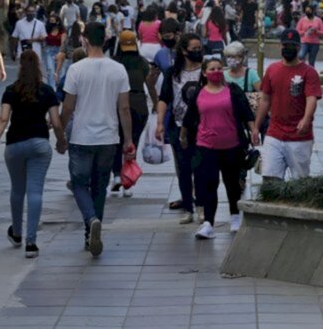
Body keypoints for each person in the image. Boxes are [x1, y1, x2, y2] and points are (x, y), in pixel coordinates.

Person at [59, 22, 134, 257]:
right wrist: (128, 140)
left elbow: (68, 106)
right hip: (108, 137)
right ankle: (92, 230)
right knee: (100, 186)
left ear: (85, 40)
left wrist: (60, 132)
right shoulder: (118, 69)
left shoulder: (76, 70)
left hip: (82, 137)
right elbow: (124, 108)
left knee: (80, 184)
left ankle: (91, 221)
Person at [0, 50, 66, 259]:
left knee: (17, 190)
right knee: (35, 192)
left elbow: (3, 119)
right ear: (38, 67)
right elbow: (56, 122)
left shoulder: (12, 91)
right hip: (40, 145)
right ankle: (31, 243)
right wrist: (61, 141)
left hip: (14, 146)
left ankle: (16, 232)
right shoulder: (47, 91)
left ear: (21, 67)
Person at [181, 57, 258, 238]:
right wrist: (183, 136)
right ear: (204, 73)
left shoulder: (233, 91)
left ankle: (235, 217)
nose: (216, 71)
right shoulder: (199, 93)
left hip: (231, 146)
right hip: (206, 146)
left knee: (233, 184)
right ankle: (208, 223)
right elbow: (189, 117)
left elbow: (246, 113)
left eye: (218, 68)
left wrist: (253, 131)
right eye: (211, 68)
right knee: (209, 185)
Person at [255, 29, 322, 180]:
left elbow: (312, 98)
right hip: (274, 133)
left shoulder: (309, 72)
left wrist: (306, 119)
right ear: (280, 46)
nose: (288, 48)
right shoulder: (272, 70)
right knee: (270, 179)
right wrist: (256, 127)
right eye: (285, 45)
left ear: (299, 47)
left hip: (299, 136)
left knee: (300, 182)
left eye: (292, 45)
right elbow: (265, 99)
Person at [156, 33, 204, 220]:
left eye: (200, 48)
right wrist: (160, 123)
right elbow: (164, 99)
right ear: (184, 51)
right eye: (194, 49)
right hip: (178, 126)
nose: (198, 52)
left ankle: (201, 205)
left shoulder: (205, 71)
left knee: (200, 168)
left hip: (202, 127)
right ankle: (188, 208)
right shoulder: (173, 73)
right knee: (183, 168)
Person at [111, 31, 156, 197]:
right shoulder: (142, 62)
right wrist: (157, 104)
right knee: (132, 142)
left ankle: (116, 175)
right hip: (139, 104)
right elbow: (150, 85)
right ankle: (127, 181)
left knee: (117, 141)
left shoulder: (114, 63)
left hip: (117, 104)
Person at [42, 12, 65, 88]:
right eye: (50, 21)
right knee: (50, 70)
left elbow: (63, 43)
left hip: (59, 50)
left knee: (58, 71)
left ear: (57, 21)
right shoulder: (47, 29)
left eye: (53, 21)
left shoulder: (62, 31)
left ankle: (58, 88)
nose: (51, 23)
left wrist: (60, 53)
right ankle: (51, 88)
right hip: (49, 50)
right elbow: (43, 38)